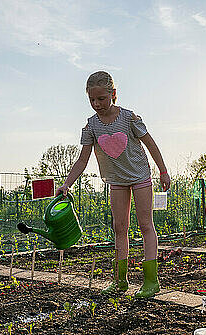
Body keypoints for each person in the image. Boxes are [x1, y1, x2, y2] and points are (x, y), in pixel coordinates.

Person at [55, 71, 170, 298]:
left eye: (101, 99)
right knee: (120, 227)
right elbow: (82, 159)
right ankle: (120, 280)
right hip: (116, 180)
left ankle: (151, 281)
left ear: (113, 94)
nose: (97, 104)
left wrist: (163, 171)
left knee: (146, 224)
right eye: (92, 100)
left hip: (139, 177)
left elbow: (150, 143)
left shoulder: (129, 118)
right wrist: (66, 184)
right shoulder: (91, 126)